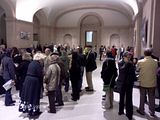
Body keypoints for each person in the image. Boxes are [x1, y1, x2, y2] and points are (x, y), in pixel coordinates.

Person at [136, 48, 158, 117]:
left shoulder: (140, 62)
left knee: (142, 96)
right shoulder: (155, 61)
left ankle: (141, 110)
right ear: (151, 54)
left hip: (143, 82)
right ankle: (152, 112)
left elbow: (137, 69)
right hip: (152, 82)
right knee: (152, 97)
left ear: (144, 54)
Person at [117, 51, 136, 120]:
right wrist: (127, 63)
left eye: (129, 57)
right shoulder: (120, 62)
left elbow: (133, 73)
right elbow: (121, 70)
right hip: (122, 82)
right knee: (121, 97)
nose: (128, 58)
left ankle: (129, 113)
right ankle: (120, 111)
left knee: (129, 98)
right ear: (124, 57)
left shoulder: (131, 63)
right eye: (127, 57)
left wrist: (130, 63)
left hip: (129, 83)